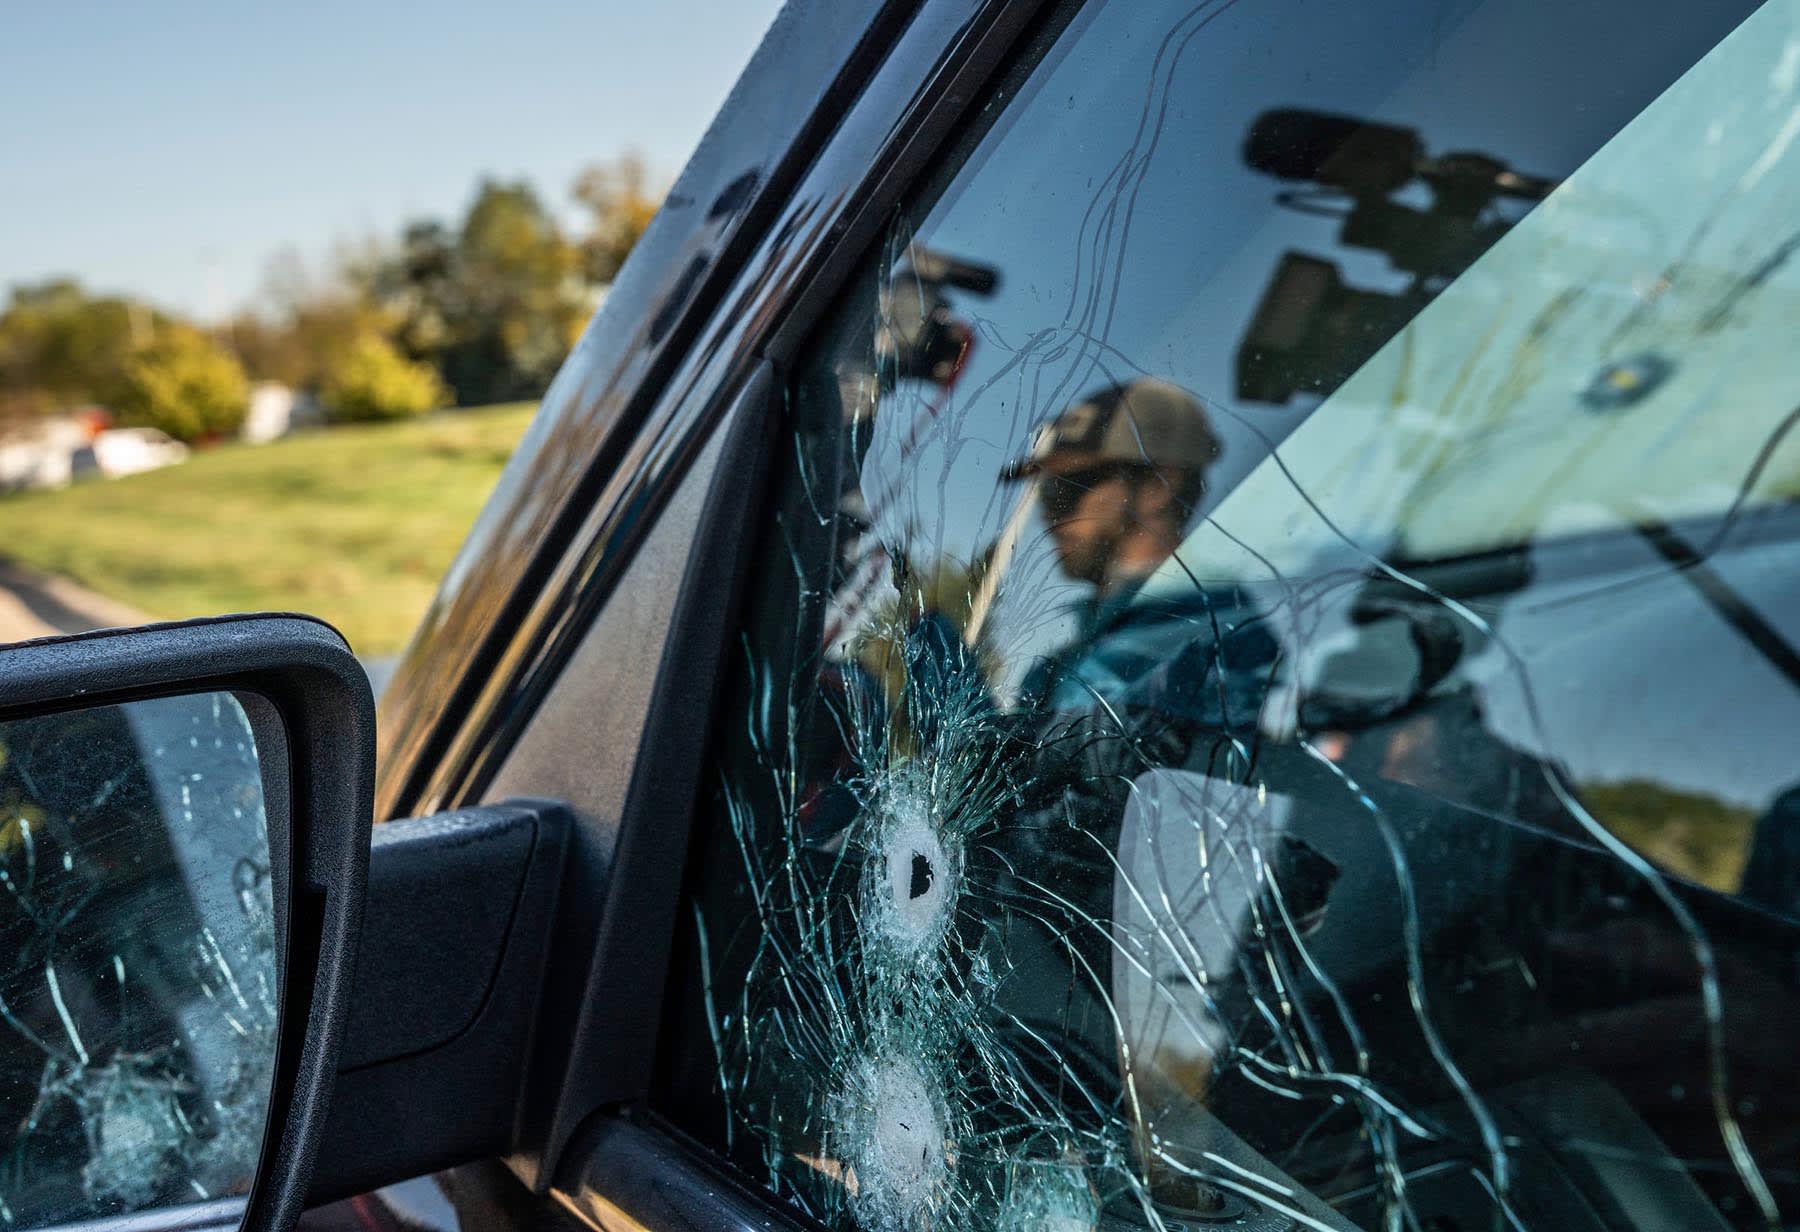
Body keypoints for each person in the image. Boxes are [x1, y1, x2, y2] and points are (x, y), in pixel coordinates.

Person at [1000, 377, 1275, 728]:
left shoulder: (1213, 629)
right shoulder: (1087, 643)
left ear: (1159, 486)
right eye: (1044, 492)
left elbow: (1079, 751)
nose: (1048, 512)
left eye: (1067, 487)